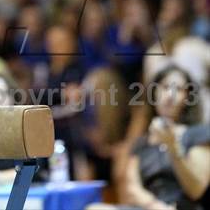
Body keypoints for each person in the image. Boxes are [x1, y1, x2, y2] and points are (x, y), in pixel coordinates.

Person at [86, 64, 210, 210]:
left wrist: (173, 147)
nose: (170, 95)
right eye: (165, 87)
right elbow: (132, 188)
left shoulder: (198, 133)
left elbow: (197, 190)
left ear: (187, 97)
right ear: (154, 93)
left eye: (179, 89)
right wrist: (156, 206)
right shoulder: (142, 142)